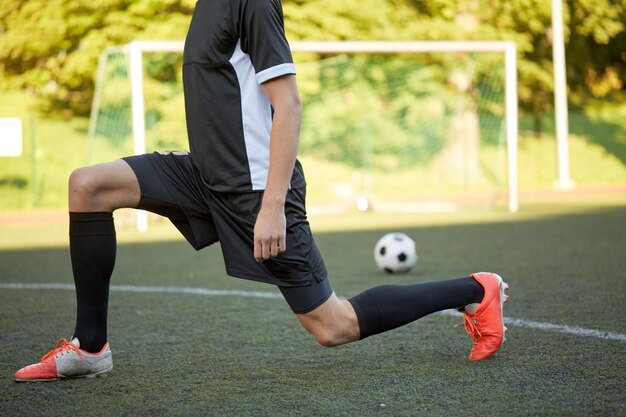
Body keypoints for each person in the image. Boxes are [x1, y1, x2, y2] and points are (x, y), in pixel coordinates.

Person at [14, 0, 509, 382]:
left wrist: (272, 207)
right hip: (203, 175)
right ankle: (91, 348)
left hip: (255, 190)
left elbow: (288, 105)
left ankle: (475, 291)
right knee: (89, 185)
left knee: (332, 326)